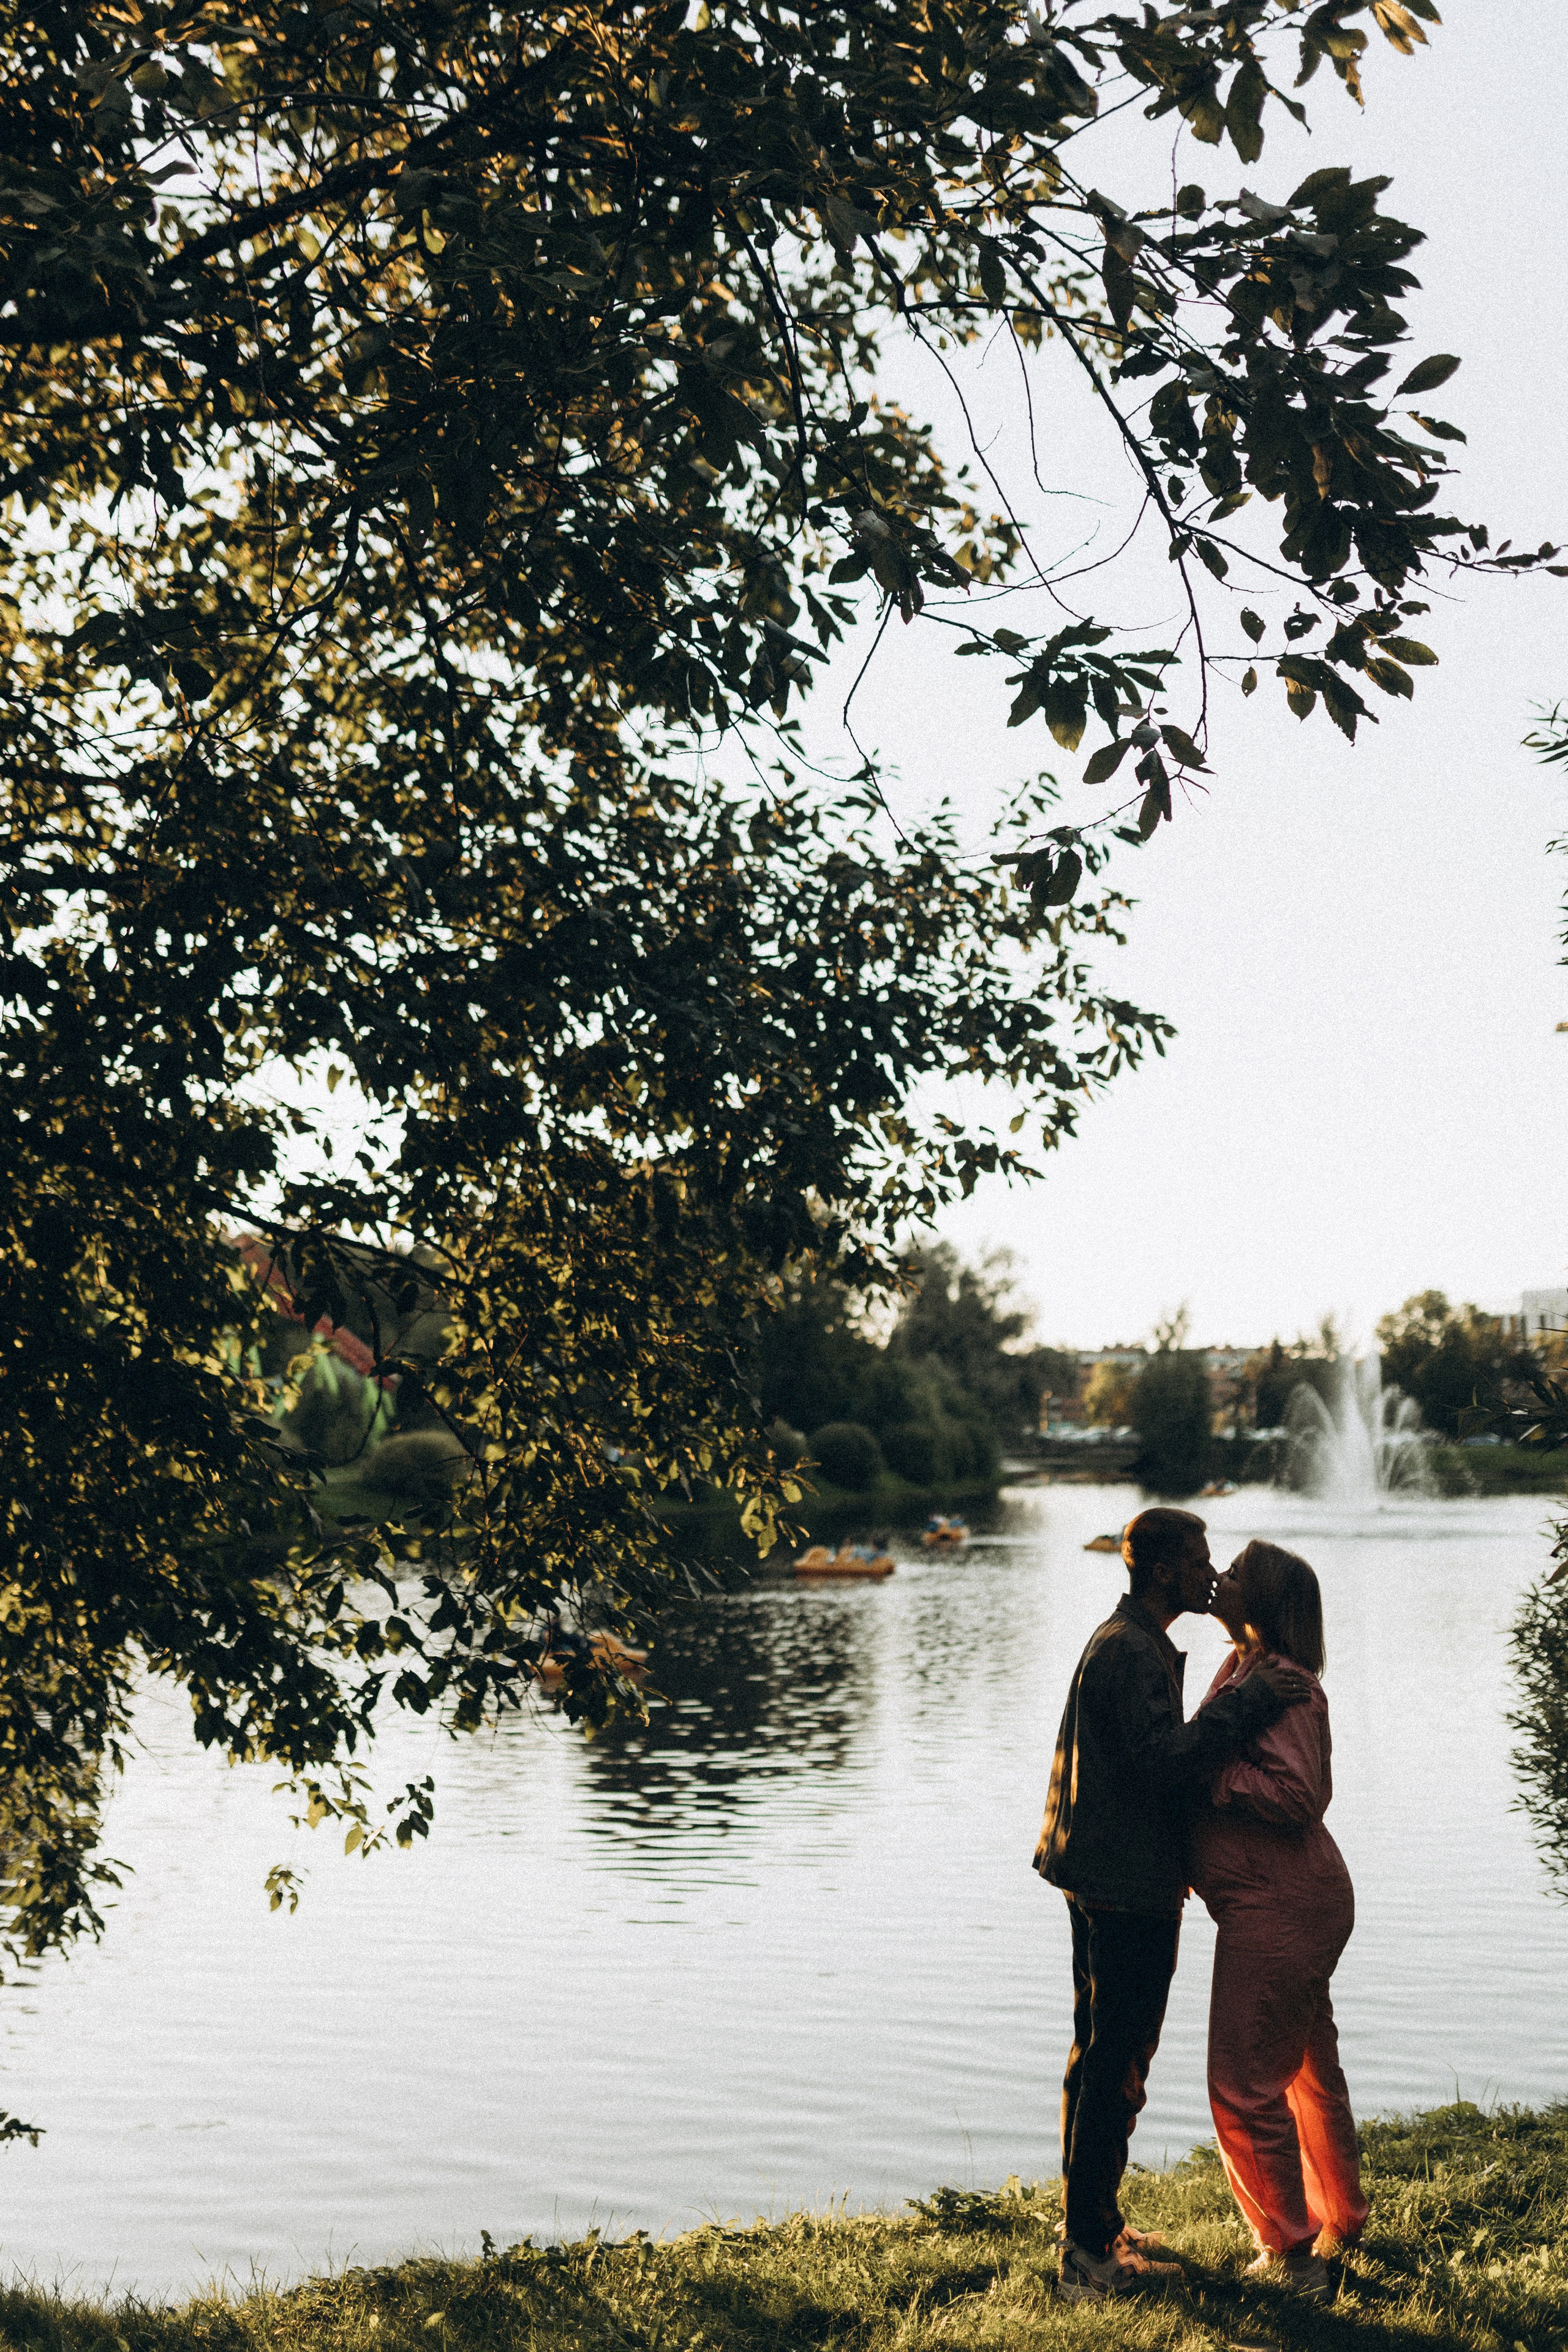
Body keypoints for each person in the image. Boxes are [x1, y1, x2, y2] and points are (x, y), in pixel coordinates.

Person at [1036, 1507, 1313, 2304]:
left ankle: (1091, 2227)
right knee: (1116, 2065)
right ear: (1164, 1571)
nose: (1210, 1571)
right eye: (1199, 1559)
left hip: (1105, 1872)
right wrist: (1251, 1700)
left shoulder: (1129, 1639)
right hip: (1125, 1886)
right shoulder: (1130, 1651)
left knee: (1099, 2058)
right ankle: (1088, 2259)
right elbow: (1164, 1766)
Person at [1191, 1539, 1368, 2303]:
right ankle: (1340, 2216)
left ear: (1261, 1600)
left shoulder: (1288, 1685)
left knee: (1242, 2082)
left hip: (1282, 1903)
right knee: (1304, 2070)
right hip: (1285, 1898)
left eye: (1233, 1573)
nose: (1219, 1579)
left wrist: (1212, 1779)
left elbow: (1298, 1798)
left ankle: (1291, 2259)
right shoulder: (1241, 1670)